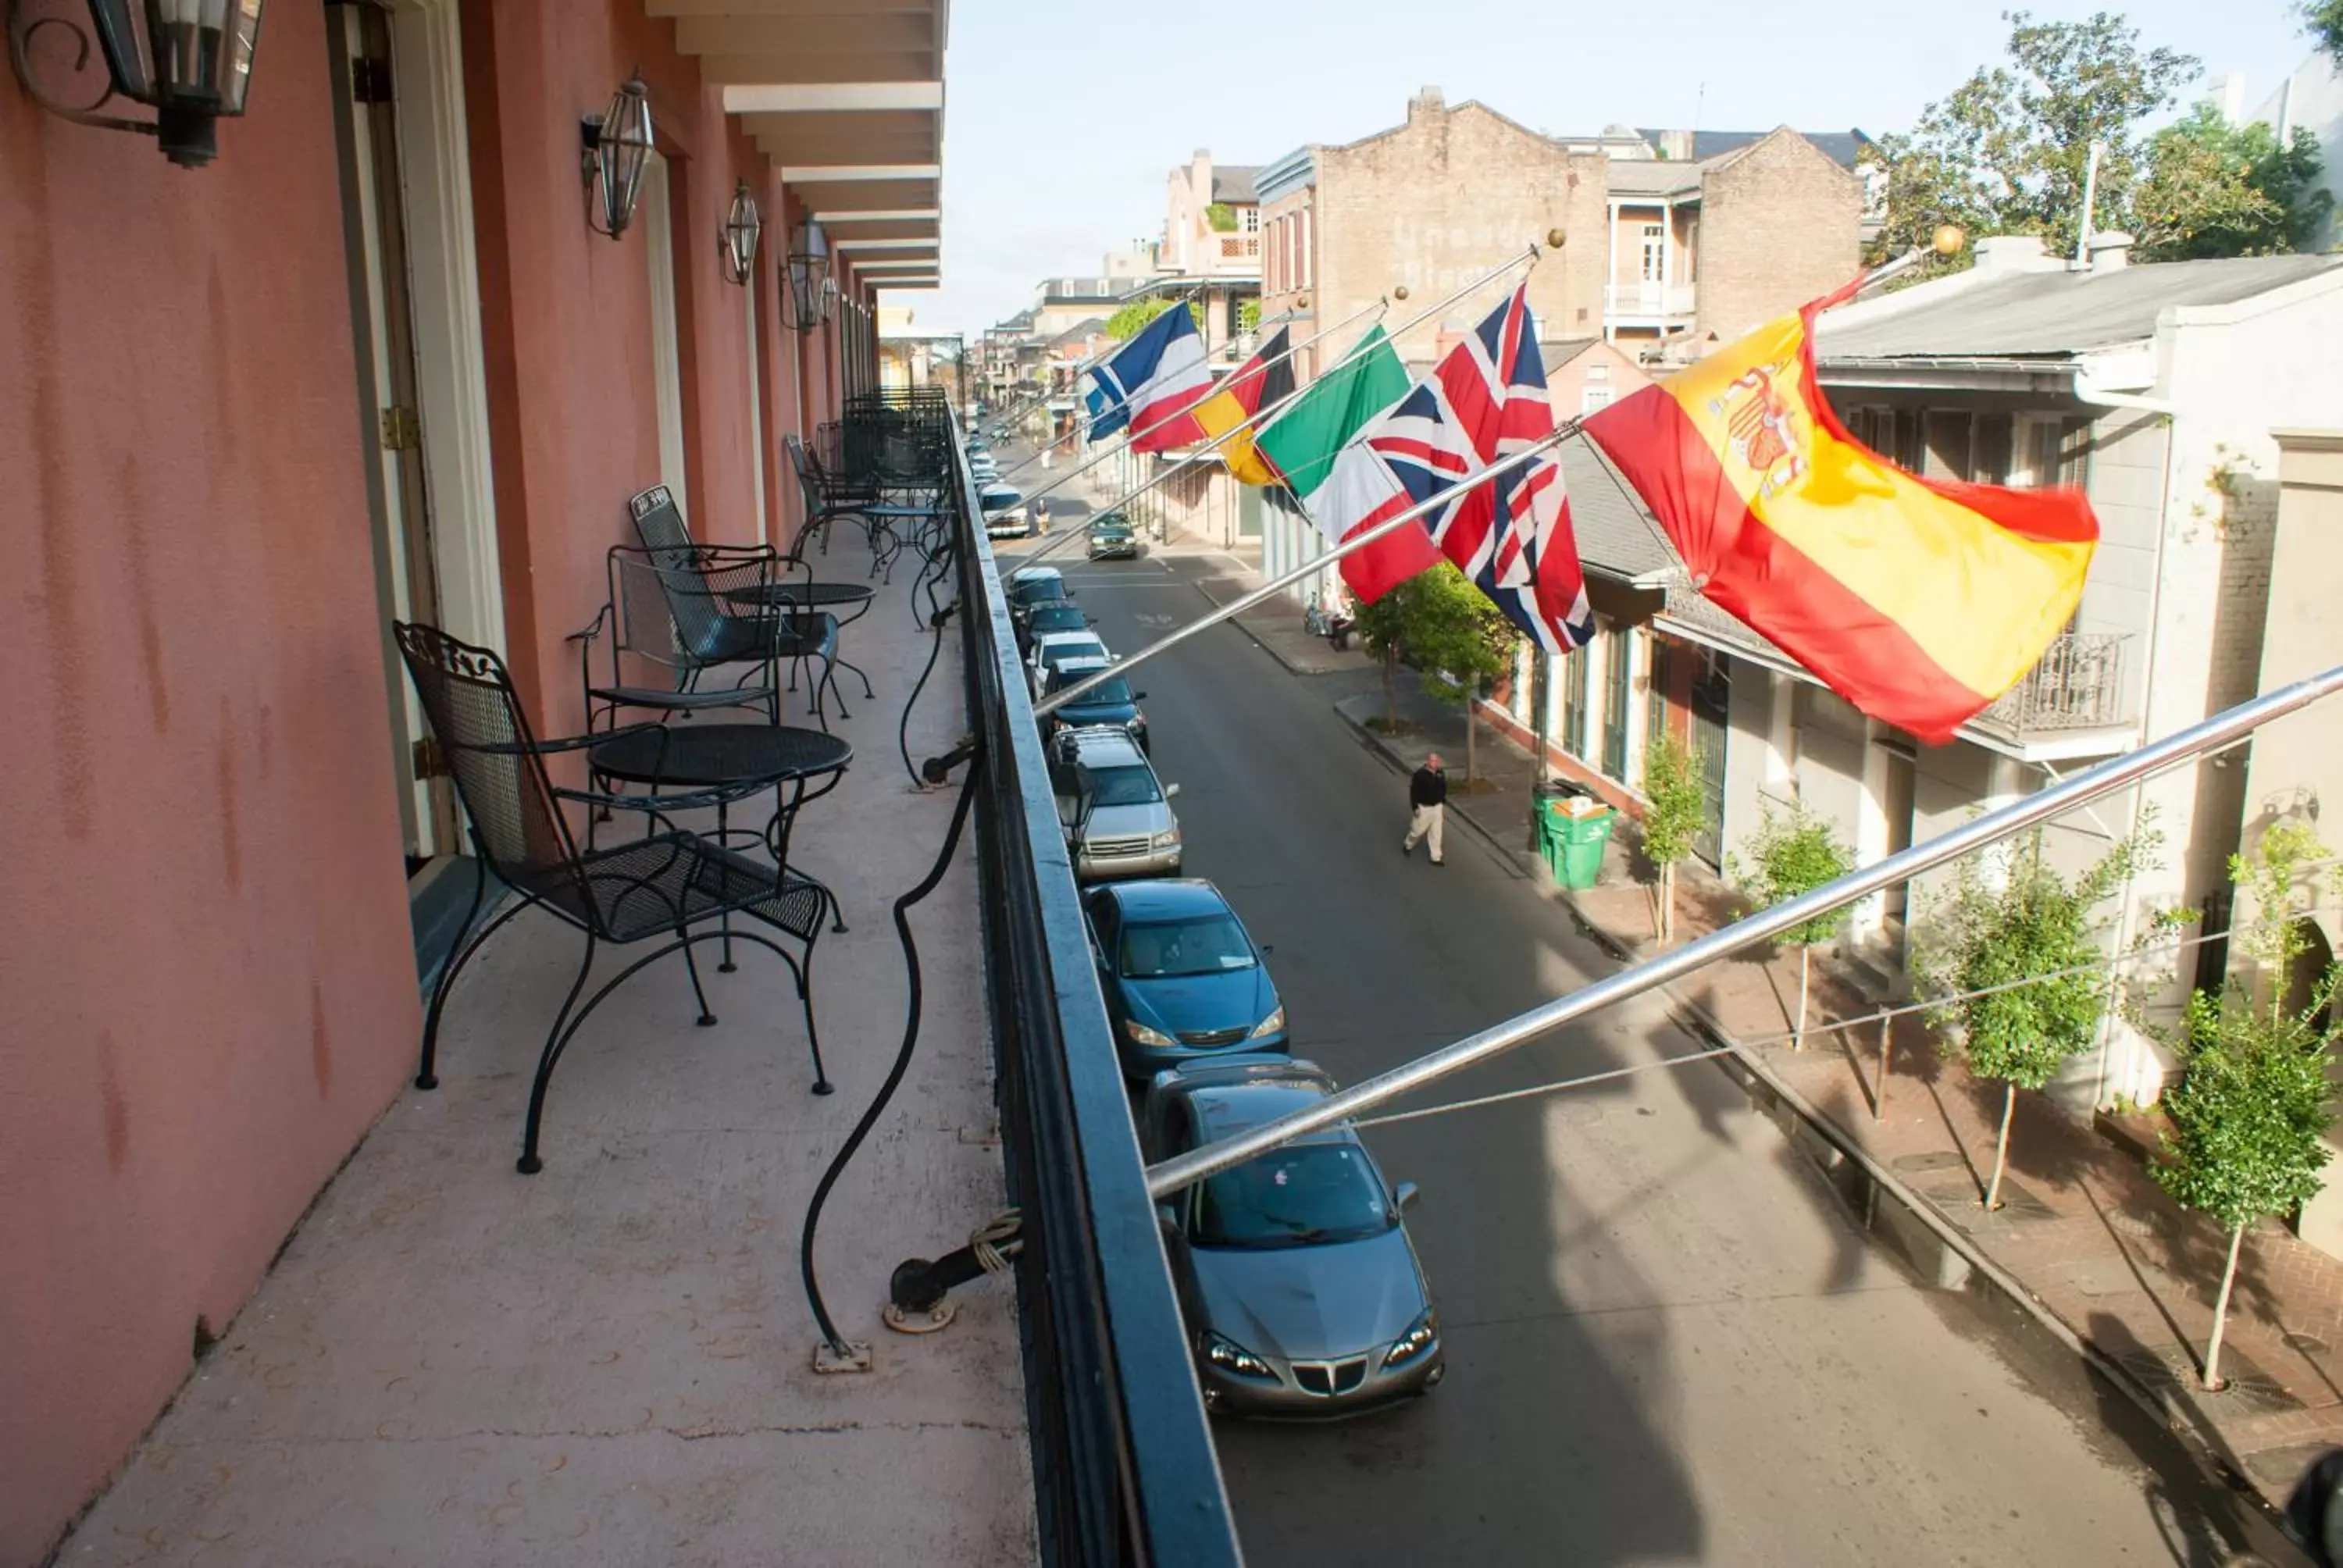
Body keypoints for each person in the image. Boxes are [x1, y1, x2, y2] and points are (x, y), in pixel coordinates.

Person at [1403, 753, 1447, 866]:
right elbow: (1414, 792)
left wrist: (1442, 800)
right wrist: (1415, 807)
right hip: (1424, 808)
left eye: (1436, 761)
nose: (1434, 763)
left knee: (1436, 833)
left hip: (1437, 807)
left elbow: (1444, 787)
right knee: (1417, 831)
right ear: (1427, 762)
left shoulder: (1440, 773)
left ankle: (1436, 857)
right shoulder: (1420, 775)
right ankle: (1408, 844)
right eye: (1432, 761)